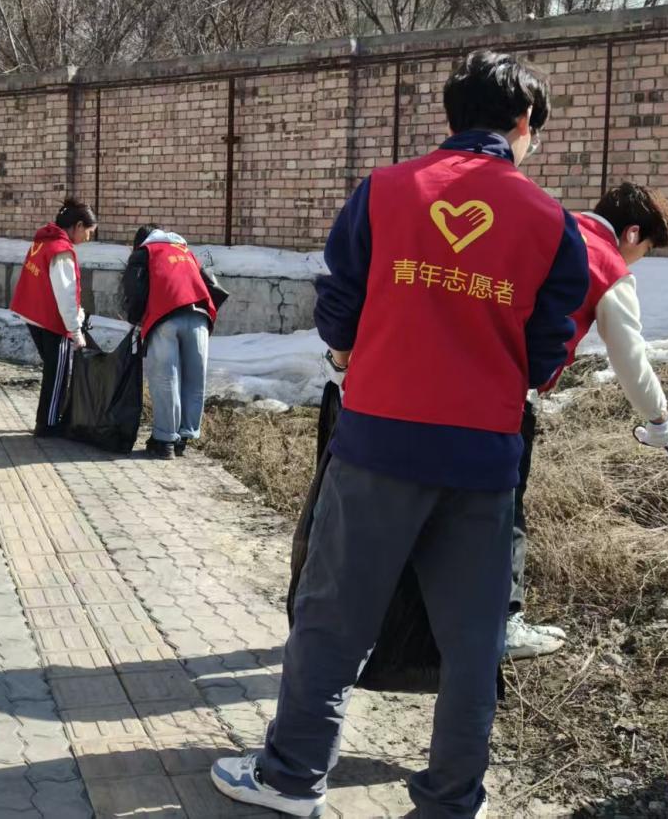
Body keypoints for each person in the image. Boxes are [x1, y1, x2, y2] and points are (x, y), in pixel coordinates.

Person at [211, 49, 589, 818]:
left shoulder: (385, 190)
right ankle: (452, 799)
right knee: (472, 641)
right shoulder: (551, 222)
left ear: (452, 117)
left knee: (334, 620)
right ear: (523, 124)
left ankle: (292, 777)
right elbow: (550, 352)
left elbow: (339, 306)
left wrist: (349, 354)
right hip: (483, 458)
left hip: (378, 444)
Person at [506, 181, 668, 659]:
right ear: (632, 233)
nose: (638, 260)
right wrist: (657, 417)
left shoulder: (550, 226)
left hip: (446, 376)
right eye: (645, 250)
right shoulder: (606, 265)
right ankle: (505, 624)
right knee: (504, 512)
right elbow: (629, 357)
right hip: (506, 397)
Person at [120, 223, 224, 460]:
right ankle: (183, 439)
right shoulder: (184, 250)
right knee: (193, 379)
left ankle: (164, 441)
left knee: (166, 379)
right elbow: (210, 284)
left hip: (165, 318)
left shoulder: (145, 253)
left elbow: (135, 290)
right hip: (200, 318)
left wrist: (136, 319)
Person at [8, 198, 98, 437]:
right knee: (58, 373)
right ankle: (48, 424)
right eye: (89, 232)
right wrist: (76, 330)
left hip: (34, 315)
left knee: (52, 369)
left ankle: (47, 420)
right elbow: (66, 294)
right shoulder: (61, 251)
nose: (88, 237)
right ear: (78, 226)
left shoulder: (43, 242)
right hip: (51, 321)